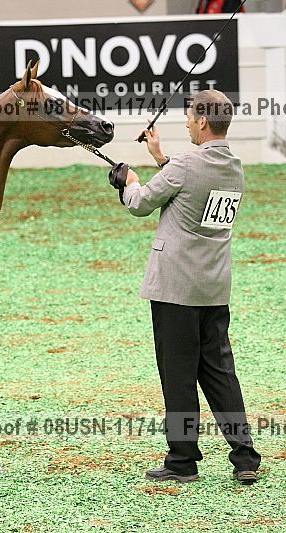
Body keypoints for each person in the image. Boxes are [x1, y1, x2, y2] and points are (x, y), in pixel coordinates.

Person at [108, 89, 261, 485]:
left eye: (191, 117)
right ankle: (245, 456)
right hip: (213, 286)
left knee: (177, 375)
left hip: (176, 288)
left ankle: (183, 460)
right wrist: (161, 157)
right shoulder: (234, 167)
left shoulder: (187, 164)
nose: (187, 122)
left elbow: (141, 203)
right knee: (220, 372)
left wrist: (129, 181)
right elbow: (192, 183)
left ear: (203, 122)